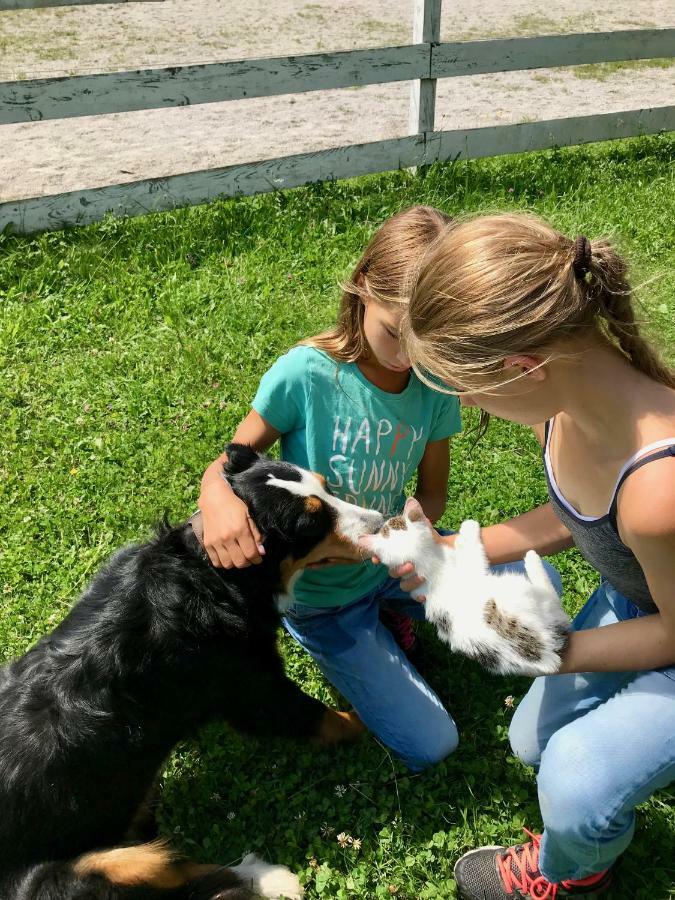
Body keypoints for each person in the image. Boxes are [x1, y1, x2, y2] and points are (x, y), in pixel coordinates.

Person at [395, 212, 675, 896]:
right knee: (530, 742)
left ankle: (575, 870)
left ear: (521, 366)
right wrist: (457, 549)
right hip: (644, 601)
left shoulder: (658, 489)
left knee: (573, 775)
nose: (462, 404)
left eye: (462, 387)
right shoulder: (566, 407)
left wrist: (548, 651)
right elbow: (573, 514)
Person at [198, 206, 464, 771]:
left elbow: (433, 494)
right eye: (396, 333)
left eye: (427, 339)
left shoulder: (433, 387)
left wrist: (414, 527)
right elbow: (234, 462)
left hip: (394, 567)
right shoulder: (305, 373)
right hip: (326, 601)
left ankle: (391, 619)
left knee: (535, 578)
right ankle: (337, 636)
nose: (409, 356)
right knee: (433, 743)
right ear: (364, 286)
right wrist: (213, 491)